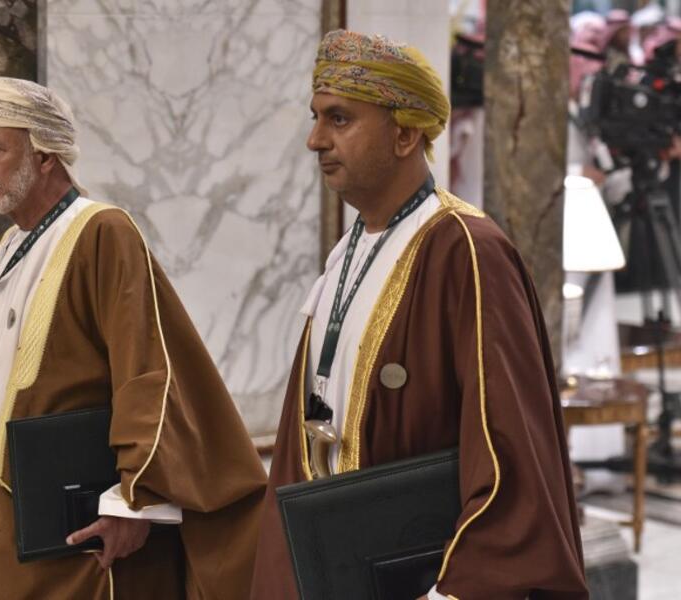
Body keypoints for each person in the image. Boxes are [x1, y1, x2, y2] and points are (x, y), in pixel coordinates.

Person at [251, 30, 588, 600]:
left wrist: (458, 588)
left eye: (339, 120)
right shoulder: (350, 246)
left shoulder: (467, 249)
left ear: (405, 133)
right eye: (316, 118)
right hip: (333, 569)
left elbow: (510, 451)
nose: (314, 141)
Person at [0, 77, 266, 599]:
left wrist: (135, 501)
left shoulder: (102, 231)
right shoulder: (13, 245)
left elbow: (147, 373)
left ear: (45, 156)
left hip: (77, 545)